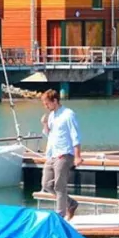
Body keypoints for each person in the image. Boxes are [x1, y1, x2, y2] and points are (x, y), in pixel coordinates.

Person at [41, 88, 82, 220]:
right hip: (52, 154)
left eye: (47, 103)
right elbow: (50, 134)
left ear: (55, 100)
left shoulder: (68, 114)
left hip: (64, 154)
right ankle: (71, 203)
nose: (46, 106)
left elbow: (75, 135)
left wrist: (77, 156)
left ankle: (60, 215)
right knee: (46, 184)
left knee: (60, 186)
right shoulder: (52, 115)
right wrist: (45, 124)